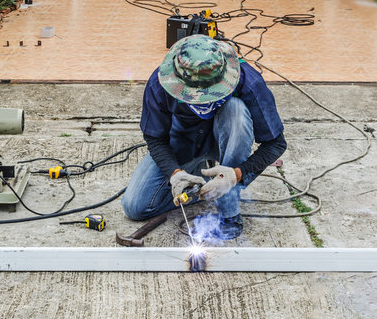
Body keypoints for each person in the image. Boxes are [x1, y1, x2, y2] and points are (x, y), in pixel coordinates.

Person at [121, 34, 287, 240]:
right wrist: (174, 173)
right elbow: (155, 139)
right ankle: (202, 187)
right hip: (183, 141)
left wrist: (237, 174)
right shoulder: (160, 82)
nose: (201, 104)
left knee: (235, 111)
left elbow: (276, 143)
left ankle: (228, 208)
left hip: (226, 138)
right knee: (135, 207)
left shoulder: (248, 81)